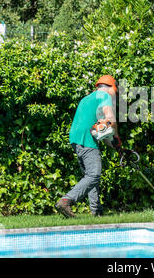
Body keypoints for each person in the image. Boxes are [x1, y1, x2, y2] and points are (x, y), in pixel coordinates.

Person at [55, 75, 122, 218]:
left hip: (75, 139)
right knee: (94, 174)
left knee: (90, 176)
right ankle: (66, 200)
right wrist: (116, 136)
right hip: (87, 140)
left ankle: (96, 211)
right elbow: (110, 119)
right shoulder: (105, 96)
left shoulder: (87, 99)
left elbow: (101, 133)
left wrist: (116, 147)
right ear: (111, 87)